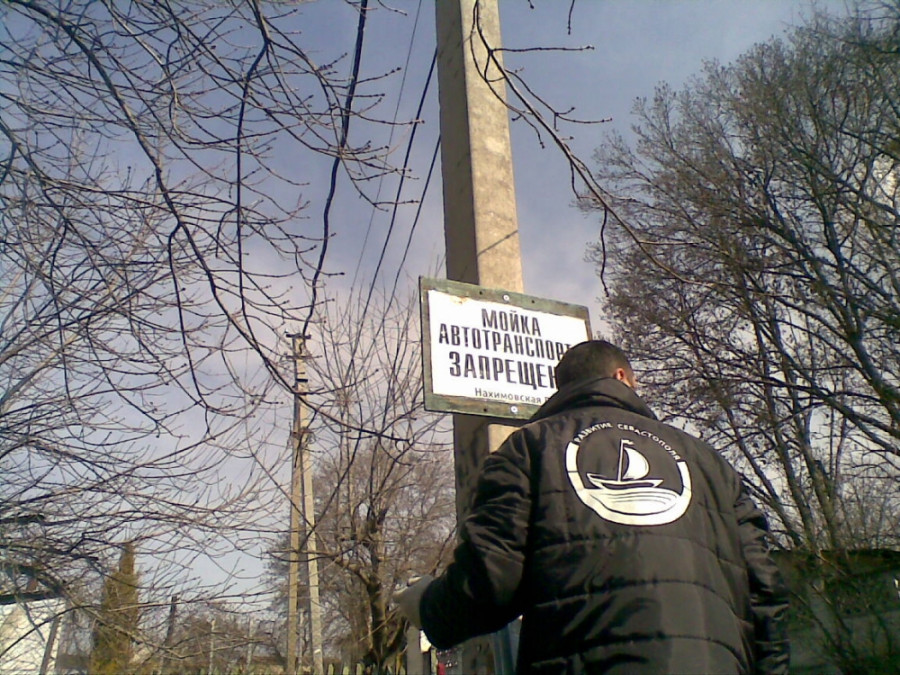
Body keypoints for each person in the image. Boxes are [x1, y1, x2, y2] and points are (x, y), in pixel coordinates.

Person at [395, 340, 789, 674]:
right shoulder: (711, 463)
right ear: (622, 377)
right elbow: (765, 593)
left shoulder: (528, 447)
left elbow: (490, 579)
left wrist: (429, 607)